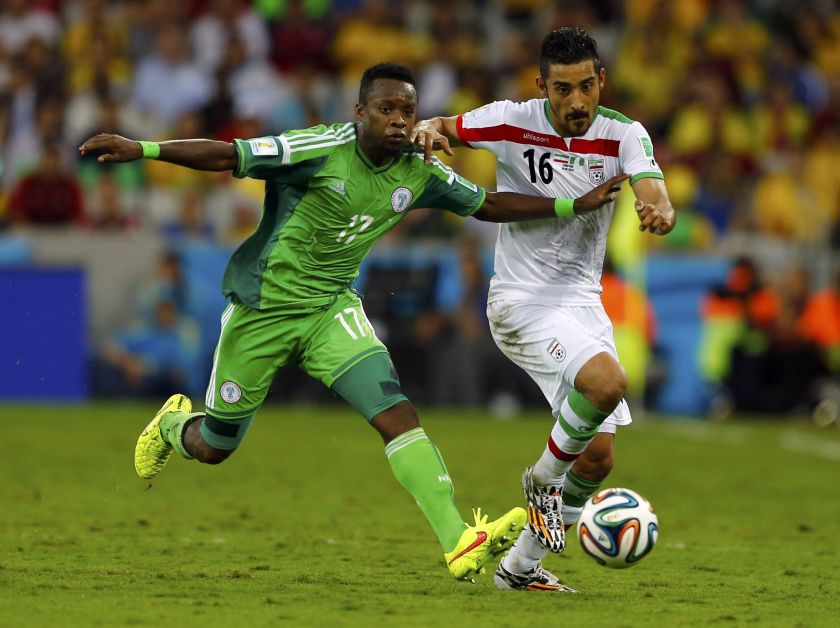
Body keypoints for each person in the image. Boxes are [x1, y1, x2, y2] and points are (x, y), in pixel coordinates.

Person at [79, 63, 626, 582]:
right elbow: (227, 155)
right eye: (386, 108)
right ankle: (175, 427)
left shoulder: (420, 167)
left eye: (408, 112)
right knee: (216, 444)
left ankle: (458, 539)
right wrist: (143, 148)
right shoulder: (316, 148)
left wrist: (572, 206)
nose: (399, 121)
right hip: (263, 310)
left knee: (396, 413)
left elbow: (486, 204)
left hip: (330, 310)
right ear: (358, 111)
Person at [411, 28, 676, 591]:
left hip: (582, 305)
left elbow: (652, 183)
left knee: (598, 458)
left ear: (601, 79)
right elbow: (443, 124)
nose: (577, 102)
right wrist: (430, 131)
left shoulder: (623, 133)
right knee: (608, 383)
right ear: (542, 87)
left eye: (586, 86)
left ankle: (519, 570)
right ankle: (542, 479)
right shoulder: (510, 119)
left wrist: (660, 208)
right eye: (563, 89)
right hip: (521, 302)